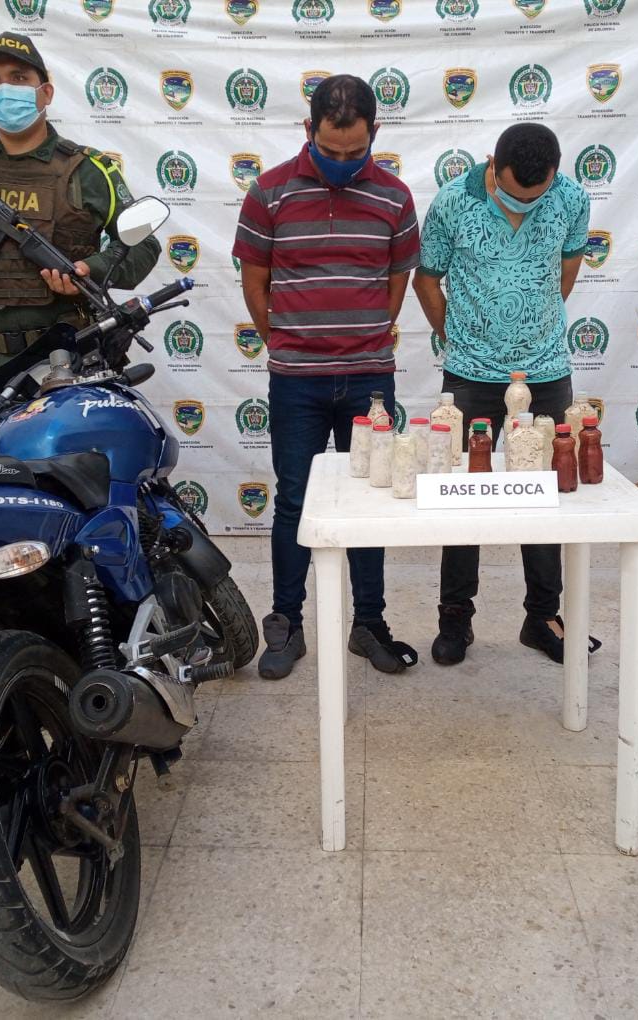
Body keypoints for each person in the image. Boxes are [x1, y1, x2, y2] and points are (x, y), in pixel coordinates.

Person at [233, 74, 421, 680]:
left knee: (369, 501)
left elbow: (396, 280)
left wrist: (367, 336)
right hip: (297, 381)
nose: (343, 161)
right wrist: (287, 342)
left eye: (356, 151)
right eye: (330, 149)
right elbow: (255, 281)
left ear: (375, 133)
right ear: (307, 129)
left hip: (370, 380)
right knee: (294, 500)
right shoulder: (269, 192)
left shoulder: (395, 196)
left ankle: (369, 625)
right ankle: (287, 625)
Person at [0, 32, 159, 418]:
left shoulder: (87, 169)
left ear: (46, 92)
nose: (5, 89)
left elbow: (143, 245)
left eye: (19, 78)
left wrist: (92, 269)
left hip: (61, 360)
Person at [413, 122, 597, 665]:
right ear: (493, 165)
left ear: (554, 176)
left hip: (546, 372)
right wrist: (459, 338)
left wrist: (531, 330)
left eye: (534, 196)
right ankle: (455, 617)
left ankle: (543, 617)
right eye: (514, 193)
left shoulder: (571, 199)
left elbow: (565, 276)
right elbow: (427, 278)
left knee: (547, 495)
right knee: (461, 495)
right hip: (471, 375)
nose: (525, 203)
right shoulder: (454, 201)